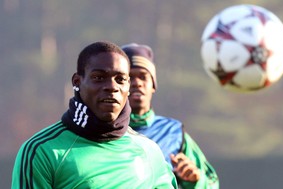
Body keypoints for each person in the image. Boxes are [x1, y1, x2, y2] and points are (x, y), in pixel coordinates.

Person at [11, 41, 178, 189]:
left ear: (128, 86)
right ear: (77, 82)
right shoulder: (41, 151)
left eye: (120, 79)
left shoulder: (150, 152)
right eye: (99, 77)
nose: (112, 87)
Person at [122, 43, 219, 189]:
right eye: (129, 78)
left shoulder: (173, 132)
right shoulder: (102, 132)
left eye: (143, 77)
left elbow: (212, 184)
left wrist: (194, 181)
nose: (137, 83)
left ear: (153, 85)